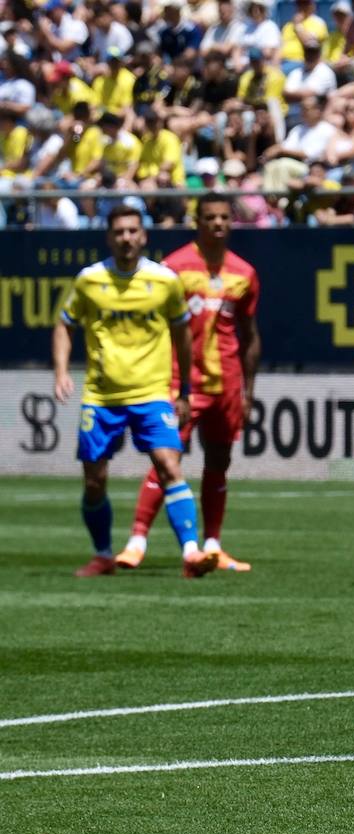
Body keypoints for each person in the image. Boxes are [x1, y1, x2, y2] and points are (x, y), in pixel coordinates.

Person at [51, 205, 220, 579]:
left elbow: (182, 334)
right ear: (109, 237)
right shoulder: (89, 281)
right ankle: (103, 555)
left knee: (169, 465)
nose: (126, 238)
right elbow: (64, 324)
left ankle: (192, 554)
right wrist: (62, 371)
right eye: (119, 232)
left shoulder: (164, 281)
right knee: (95, 481)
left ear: (144, 236)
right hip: (102, 396)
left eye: (133, 231)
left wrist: (185, 389)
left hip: (151, 393)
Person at [114, 193, 261, 573]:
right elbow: (155, 327)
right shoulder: (174, 268)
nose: (218, 224)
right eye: (210, 218)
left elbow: (249, 334)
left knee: (219, 461)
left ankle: (213, 545)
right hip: (181, 382)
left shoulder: (243, 273)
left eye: (224, 218)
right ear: (197, 222)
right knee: (167, 459)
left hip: (225, 383)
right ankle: (136, 541)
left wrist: (248, 391)